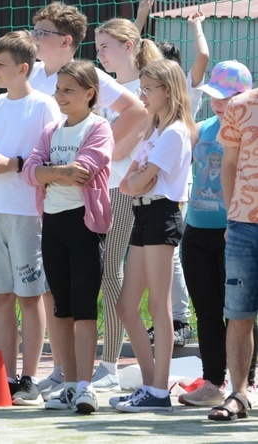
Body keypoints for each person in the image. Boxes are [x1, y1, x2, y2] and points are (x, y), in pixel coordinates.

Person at [28, 1, 148, 399]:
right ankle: (64, 371)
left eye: (41, 32)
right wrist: (43, 172)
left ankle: (108, 366)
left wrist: (108, 156)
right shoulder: (33, 78)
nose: (33, 37)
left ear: (64, 41)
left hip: (101, 194)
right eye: (34, 30)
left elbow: (136, 110)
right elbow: (37, 151)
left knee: (106, 276)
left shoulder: (86, 75)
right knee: (55, 290)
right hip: (49, 203)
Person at [0, 31, 61, 405]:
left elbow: (53, 160)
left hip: (28, 213)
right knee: (1, 297)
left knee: (30, 296)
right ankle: (4, 377)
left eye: (0, 66)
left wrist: (13, 164)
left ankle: (29, 379)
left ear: (23, 68)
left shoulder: (44, 106)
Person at [23, 60, 113, 413]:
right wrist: (53, 172)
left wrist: (49, 172)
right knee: (60, 308)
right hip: (53, 226)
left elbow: (84, 171)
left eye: (68, 90)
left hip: (84, 226)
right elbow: (30, 172)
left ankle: (87, 386)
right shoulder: (51, 129)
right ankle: (71, 383)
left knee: (84, 308)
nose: (59, 96)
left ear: (89, 94)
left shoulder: (98, 127)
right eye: (58, 89)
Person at [114, 59, 197, 413]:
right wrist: (137, 178)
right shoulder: (153, 129)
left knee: (157, 307)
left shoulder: (176, 131)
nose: (143, 95)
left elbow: (142, 181)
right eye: (142, 89)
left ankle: (159, 391)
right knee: (125, 307)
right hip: (142, 214)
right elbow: (127, 182)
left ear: (168, 89)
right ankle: (151, 385)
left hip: (162, 214)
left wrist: (138, 179)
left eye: (149, 89)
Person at [180, 61, 258, 407]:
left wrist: (232, 222)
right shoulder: (202, 128)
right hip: (198, 232)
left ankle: (247, 384)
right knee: (207, 311)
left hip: (234, 231)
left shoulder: (247, 123)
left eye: (226, 98)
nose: (218, 104)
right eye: (214, 97)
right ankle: (213, 381)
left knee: (240, 312)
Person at [137, 0, 210, 346]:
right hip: (153, 182)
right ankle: (174, 320)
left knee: (174, 254)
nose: (145, 89)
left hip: (175, 181)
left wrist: (197, 26)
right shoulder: (152, 116)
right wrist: (144, 8)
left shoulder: (187, 97)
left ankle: (179, 319)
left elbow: (204, 56)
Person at [91, 17, 162, 391]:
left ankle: (111, 364)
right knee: (95, 272)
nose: (98, 53)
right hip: (96, 188)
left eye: (105, 46)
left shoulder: (147, 89)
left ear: (128, 46)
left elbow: (133, 147)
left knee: (111, 270)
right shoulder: (108, 89)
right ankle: (95, 361)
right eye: (97, 45)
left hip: (124, 190)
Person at [207, 79, 258, 421]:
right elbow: (228, 164)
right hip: (243, 225)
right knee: (238, 313)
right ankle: (238, 394)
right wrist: (231, 217)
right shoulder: (241, 105)